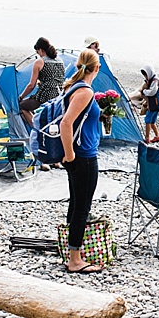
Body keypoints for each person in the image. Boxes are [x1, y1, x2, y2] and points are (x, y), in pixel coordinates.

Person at [60, 49, 105, 274]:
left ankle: (70, 251)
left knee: (76, 203)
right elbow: (66, 123)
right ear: (97, 68)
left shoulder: (73, 87)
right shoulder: (85, 92)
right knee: (82, 207)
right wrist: (70, 157)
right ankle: (75, 260)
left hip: (80, 153)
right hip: (84, 156)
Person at [19, 37, 66, 127]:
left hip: (45, 96)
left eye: (37, 52)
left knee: (22, 106)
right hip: (59, 96)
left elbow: (31, 85)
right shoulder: (60, 61)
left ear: (40, 50)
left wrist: (21, 96)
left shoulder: (39, 62)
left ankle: (37, 128)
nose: (38, 54)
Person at [140, 64, 159, 144]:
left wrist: (144, 92)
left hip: (154, 103)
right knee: (152, 121)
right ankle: (157, 135)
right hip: (155, 104)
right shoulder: (152, 80)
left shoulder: (155, 81)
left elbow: (152, 92)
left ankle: (147, 137)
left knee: (148, 120)